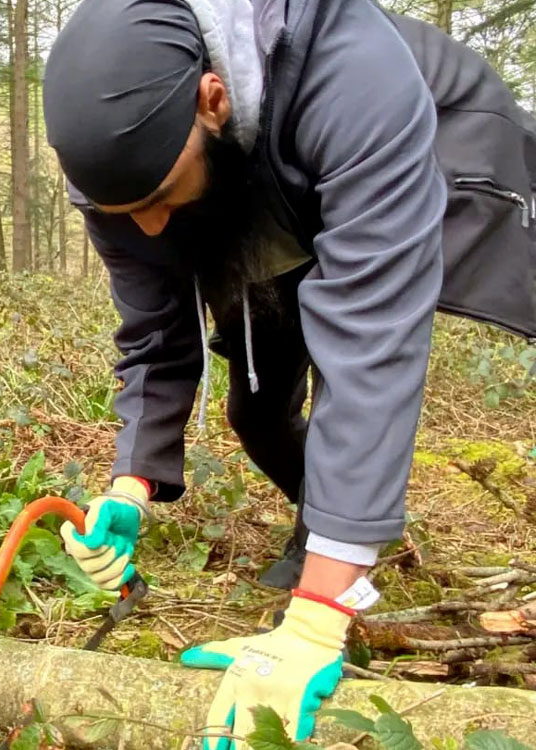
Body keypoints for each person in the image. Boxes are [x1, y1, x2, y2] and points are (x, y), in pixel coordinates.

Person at [43, 0, 535, 744]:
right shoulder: (124, 159)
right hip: (257, 194)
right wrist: (130, 484)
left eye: (154, 199)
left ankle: (339, 551)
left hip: (419, 143)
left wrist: (315, 625)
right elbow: (154, 334)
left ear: (212, 100)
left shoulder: (354, 75)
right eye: (121, 210)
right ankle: (333, 524)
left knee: (347, 360)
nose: (145, 226)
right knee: (257, 409)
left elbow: (370, 346)